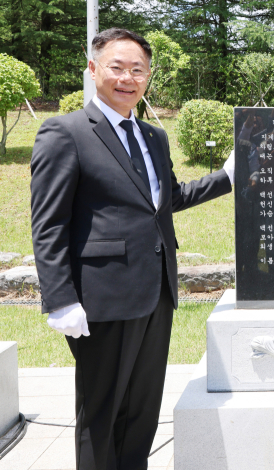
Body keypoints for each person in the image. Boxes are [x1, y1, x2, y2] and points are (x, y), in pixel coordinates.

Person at [30, 28, 234, 469]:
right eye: (117, 67)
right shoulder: (64, 133)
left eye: (138, 69)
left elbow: (169, 198)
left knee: (142, 411)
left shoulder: (153, 137)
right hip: (102, 299)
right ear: (93, 69)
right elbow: (48, 225)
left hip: (157, 292)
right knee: (101, 415)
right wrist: (61, 300)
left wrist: (228, 176)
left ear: (148, 76)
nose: (128, 78)